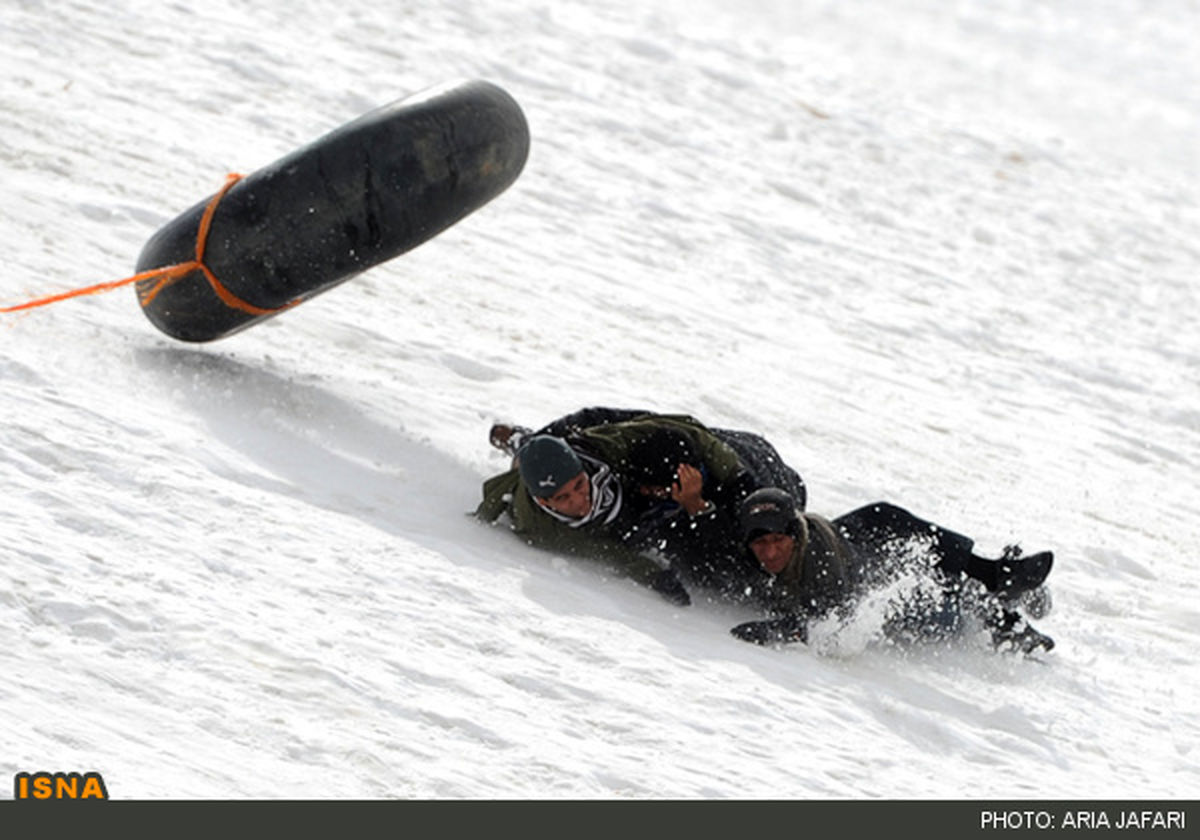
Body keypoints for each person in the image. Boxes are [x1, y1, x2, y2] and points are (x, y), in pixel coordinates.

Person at [476, 407, 806, 604]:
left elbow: (683, 431)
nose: (579, 501)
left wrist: (700, 502)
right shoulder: (539, 525)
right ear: (543, 501)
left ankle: (522, 440)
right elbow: (600, 548)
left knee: (765, 526)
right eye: (563, 498)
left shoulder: (615, 449)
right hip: (690, 486)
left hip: (744, 461)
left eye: (579, 486)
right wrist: (652, 574)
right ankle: (522, 442)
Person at [728, 487, 1055, 654]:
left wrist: (779, 630)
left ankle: (1002, 613)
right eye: (760, 544)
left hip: (866, 577)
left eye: (778, 541)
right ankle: (1000, 584)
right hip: (855, 548)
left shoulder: (820, 566)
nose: (769, 552)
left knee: (938, 608)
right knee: (885, 522)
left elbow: (827, 620)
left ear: (796, 535)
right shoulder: (752, 553)